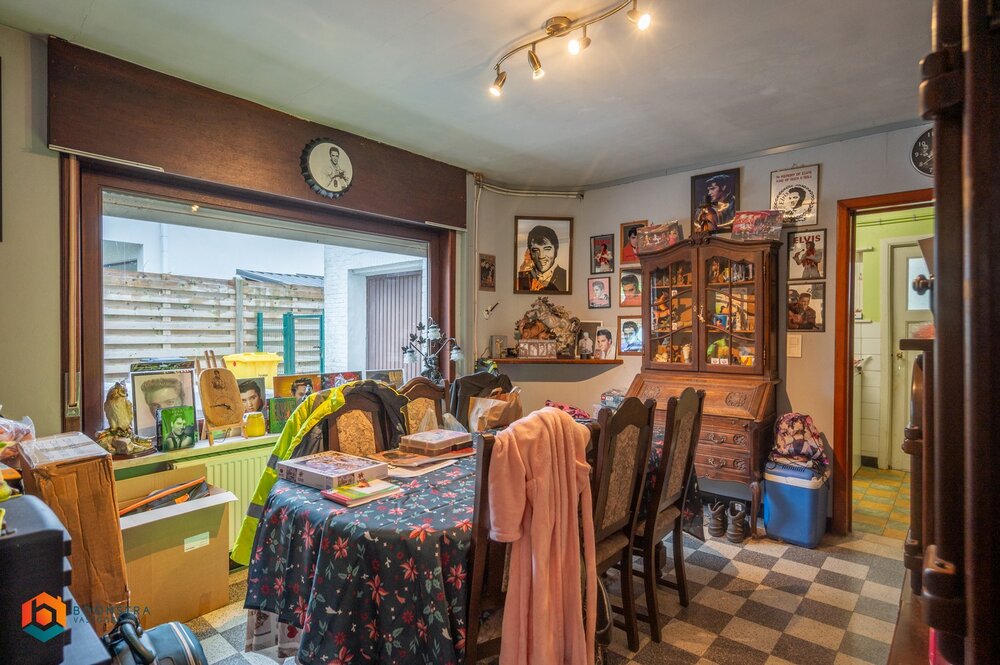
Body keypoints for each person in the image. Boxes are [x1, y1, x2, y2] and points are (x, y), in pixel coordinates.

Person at [516, 225, 568, 292]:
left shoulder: (566, 275)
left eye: (547, 249)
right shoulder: (521, 278)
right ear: (530, 252)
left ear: (556, 250)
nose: (541, 256)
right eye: (535, 250)